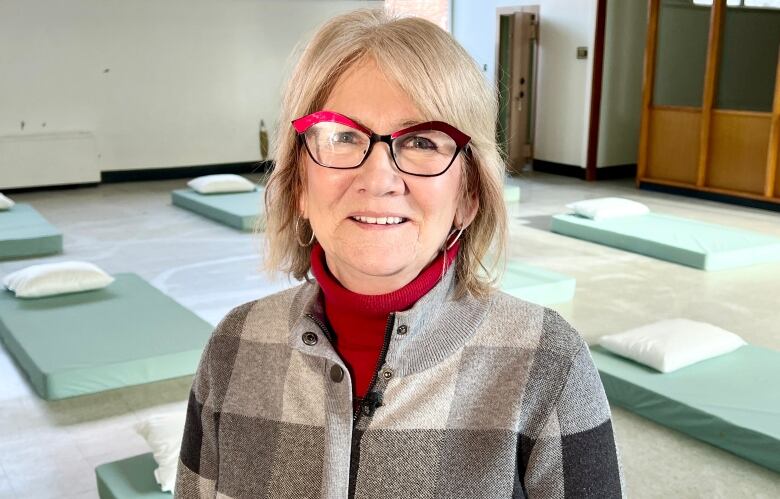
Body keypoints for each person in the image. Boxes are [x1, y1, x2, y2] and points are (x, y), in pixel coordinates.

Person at [176, 9, 624, 499]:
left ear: (469, 195)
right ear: (299, 183)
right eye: (343, 136)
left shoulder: (546, 363)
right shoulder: (235, 346)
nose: (379, 179)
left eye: (421, 141)